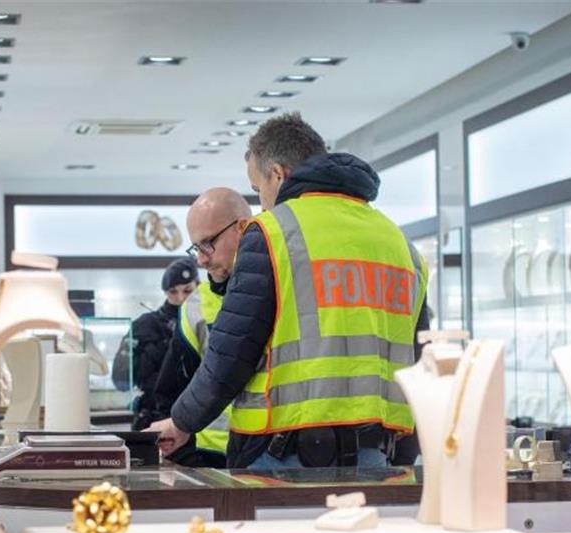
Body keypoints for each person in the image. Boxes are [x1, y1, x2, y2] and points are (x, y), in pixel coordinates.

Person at [148, 112, 430, 470]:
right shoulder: (401, 245)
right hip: (376, 456)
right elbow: (420, 364)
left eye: (257, 189)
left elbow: (231, 352)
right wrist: (404, 456)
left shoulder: (271, 233)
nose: (261, 203)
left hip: (282, 455)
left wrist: (182, 423)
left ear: (278, 174)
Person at [150, 188, 253, 467]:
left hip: (271, 455)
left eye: (208, 243)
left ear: (243, 228)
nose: (201, 259)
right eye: (197, 247)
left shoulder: (282, 288)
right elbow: (170, 390)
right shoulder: (196, 305)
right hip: (210, 459)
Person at [121, 257, 198, 430]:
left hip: (195, 414)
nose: (180, 298)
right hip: (154, 414)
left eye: (187, 291)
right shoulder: (145, 325)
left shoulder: (205, 320)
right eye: (173, 292)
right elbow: (121, 378)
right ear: (165, 292)